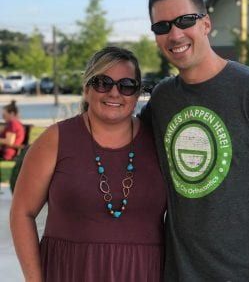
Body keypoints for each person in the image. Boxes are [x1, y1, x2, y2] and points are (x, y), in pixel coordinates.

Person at [140, 0, 249, 281]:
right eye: (162, 26)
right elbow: (125, 144)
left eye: (185, 21)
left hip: (247, 273)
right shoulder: (162, 99)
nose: (175, 34)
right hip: (178, 273)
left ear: (206, 24)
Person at [10, 47, 166, 282]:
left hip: (144, 273)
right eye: (103, 82)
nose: (114, 93)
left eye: (126, 85)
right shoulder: (55, 139)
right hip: (69, 272)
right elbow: (22, 213)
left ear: (136, 94)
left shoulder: (159, 140)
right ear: (86, 88)